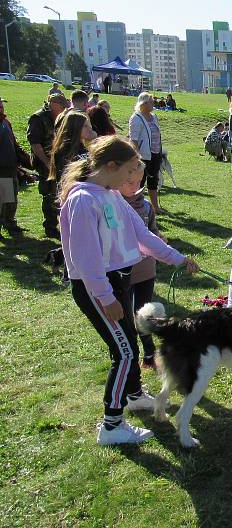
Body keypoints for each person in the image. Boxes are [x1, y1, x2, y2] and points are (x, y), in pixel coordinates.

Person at [58, 135, 199, 445]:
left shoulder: (111, 196)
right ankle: (112, 425)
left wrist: (178, 258)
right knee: (124, 353)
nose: (135, 175)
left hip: (118, 281)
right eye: (132, 168)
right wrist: (106, 298)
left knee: (129, 343)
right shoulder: (83, 200)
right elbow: (86, 259)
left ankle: (133, 395)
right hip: (97, 287)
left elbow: (142, 235)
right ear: (111, 166)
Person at [118, 164, 161, 370]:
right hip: (122, 272)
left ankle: (149, 352)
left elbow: (152, 231)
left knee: (142, 312)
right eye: (130, 182)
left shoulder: (145, 206)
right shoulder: (112, 206)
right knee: (125, 316)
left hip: (146, 270)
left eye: (139, 182)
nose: (135, 187)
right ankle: (129, 355)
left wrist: (160, 239)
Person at [27, 93, 68, 238]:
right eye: (62, 106)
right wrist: (46, 162)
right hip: (45, 163)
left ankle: (60, 224)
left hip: (58, 161)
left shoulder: (60, 117)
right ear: (54, 104)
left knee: (59, 193)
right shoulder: (38, 118)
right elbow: (35, 144)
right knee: (50, 194)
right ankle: (50, 227)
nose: (64, 108)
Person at [0, 99, 33, 238]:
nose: (1, 107)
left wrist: (23, 157)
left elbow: (13, 143)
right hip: (1, 168)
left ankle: (9, 223)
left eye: (1, 105)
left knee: (10, 197)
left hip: (9, 167)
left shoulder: (6, 122)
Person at [128, 92, 164, 215]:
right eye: (151, 101)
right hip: (143, 156)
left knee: (154, 181)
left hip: (155, 154)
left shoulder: (154, 117)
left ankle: (155, 208)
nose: (153, 103)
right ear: (143, 103)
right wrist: (136, 157)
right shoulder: (136, 118)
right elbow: (134, 139)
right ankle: (136, 208)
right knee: (140, 182)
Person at [49, 111, 98, 186]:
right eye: (85, 126)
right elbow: (66, 177)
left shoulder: (83, 147)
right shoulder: (65, 150)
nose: (90, 128)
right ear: (76, 128)